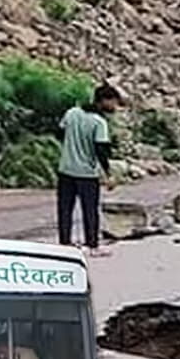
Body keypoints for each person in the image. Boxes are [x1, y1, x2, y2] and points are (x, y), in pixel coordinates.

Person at [56, 83, 123, 256]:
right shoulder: (99, 122)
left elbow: (61, 131)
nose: (115, 107)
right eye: (114, 102)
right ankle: (92, 245)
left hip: (65, 169)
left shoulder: (72, 113)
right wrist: (108, 173)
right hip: (86, 172)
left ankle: (64, 243)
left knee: (65, 209)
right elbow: (101, 150)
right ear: (104, 101)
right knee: (90, 209)